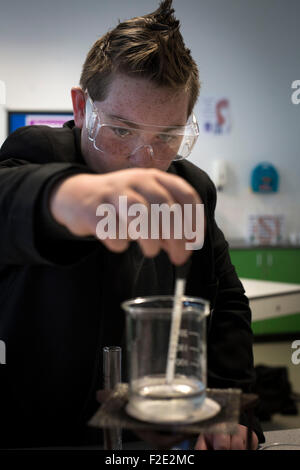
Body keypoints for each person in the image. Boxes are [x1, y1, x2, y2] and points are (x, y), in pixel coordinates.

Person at [0, 0, 264, 450]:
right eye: (121, 131)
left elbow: (226, 304)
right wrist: (65, 198)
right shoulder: (38, 151)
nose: (146, 161)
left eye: (167, 136)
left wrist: (230, 411)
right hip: (41, 431)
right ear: (81, 107)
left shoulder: (190, 191)